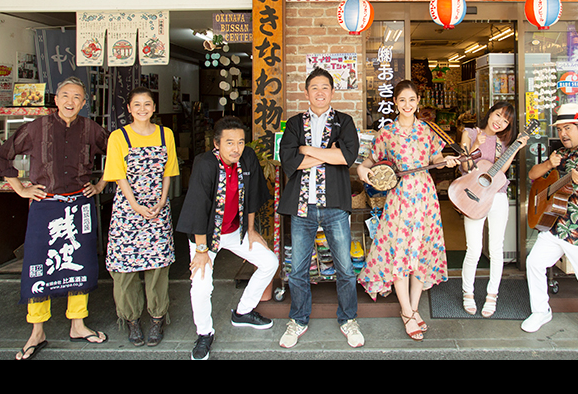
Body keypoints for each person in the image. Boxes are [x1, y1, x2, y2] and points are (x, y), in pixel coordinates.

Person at [0, 76, 109, 360]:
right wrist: (20, 187)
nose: (71, 102)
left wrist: (102, 183)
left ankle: (78, 324)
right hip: (46, 205)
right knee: (38, 266)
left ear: (84, 103)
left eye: (77, 97)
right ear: (56, 100)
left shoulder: (92, 128)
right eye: (66, 96)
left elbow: (116, 154)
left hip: (79, 203)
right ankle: (37, 331)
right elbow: (2, 156)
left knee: (80, 263)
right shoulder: (36, 127)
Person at [356, 79, 458, 341]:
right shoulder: (387, 133)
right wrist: (363, 171)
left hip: (425, 197)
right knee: (400, 253)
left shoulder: (427, 130)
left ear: (418, 102)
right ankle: (406, 311)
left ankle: (414, 308)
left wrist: (444, 159)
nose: (407, 105)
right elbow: (368, 161)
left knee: (420, 253)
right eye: (402, 100)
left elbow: (435, 158)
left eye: (412, 100)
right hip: (400, 198)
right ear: (395, 103)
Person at [176, 116, 279, 361]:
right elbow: (198, 206)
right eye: (229, 142)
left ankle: (242, 312)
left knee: (270, 262)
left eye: (241, 142)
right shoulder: (205, 164)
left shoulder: (248, 158)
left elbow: (253, 195)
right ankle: (204, 333)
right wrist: (201, 251)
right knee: (201, 285)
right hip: (206, 236)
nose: (236, 148)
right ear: (217, 144)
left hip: (234, 231)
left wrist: (252, 230)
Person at [278, 67, 364, 349]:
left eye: (325, 87)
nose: (319, 92)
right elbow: (289, 161)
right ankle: (298, 319)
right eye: (314, 87)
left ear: (332, 91)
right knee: (298, 269)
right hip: (302, 207)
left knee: (345, 268)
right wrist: (328, 154)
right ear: (306, 92)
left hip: (335, 205)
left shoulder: (344, 122)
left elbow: (347, 157)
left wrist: (307, 149)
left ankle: (348, 319)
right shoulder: (293, 124)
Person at [522, 103, 578, 344]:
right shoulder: (561, 153)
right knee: (534, 263)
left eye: (568, 128)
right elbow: (533, 175)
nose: (563, 134)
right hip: (556, 224)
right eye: (560, 129)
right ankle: (541, 311)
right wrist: (550, 164)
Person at [102, 87, 179, 347]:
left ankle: (157, 317)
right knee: (125, 269)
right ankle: (131, 320)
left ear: (154, 107)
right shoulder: (118, 137)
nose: (142, 109)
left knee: (159, 266)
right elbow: (118, 174)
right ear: (129, 108)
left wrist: (161, 201)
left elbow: (169, 170)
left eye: (147, 104)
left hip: (158, 208)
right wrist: (135, 205)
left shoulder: (164, 133)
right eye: (137, 104)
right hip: (127, 211)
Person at [458, 101, 529, 317]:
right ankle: (467, 292)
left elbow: (500, 171)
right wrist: (474, 145)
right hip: (473, 196)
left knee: (496, 250)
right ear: (489, 114)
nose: (499, 122)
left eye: (505, 120)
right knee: (474, 248)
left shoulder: (503, 142)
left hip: (497, 196)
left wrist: (515, 148)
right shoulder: (470, 133)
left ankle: (492, 295)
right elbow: (465, 165)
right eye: (497, 115)